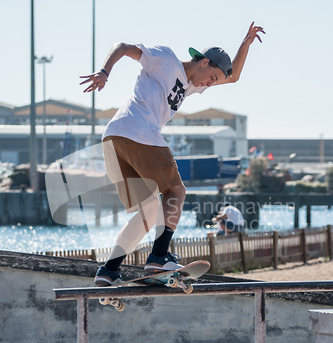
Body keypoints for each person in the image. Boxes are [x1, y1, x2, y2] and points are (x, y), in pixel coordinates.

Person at [79, 22, 265, 286]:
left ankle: (109, 270)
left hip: (113, 140)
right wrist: (104, 71)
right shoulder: (165, 59)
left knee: (148, 210)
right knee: (176, 191)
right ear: (204, 62)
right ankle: (158, 257)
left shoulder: (190, 85)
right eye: (211, 78)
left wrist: (244, 45)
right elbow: (122, 47)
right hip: (137, 133)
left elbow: (232, 76)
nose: (209, 85)